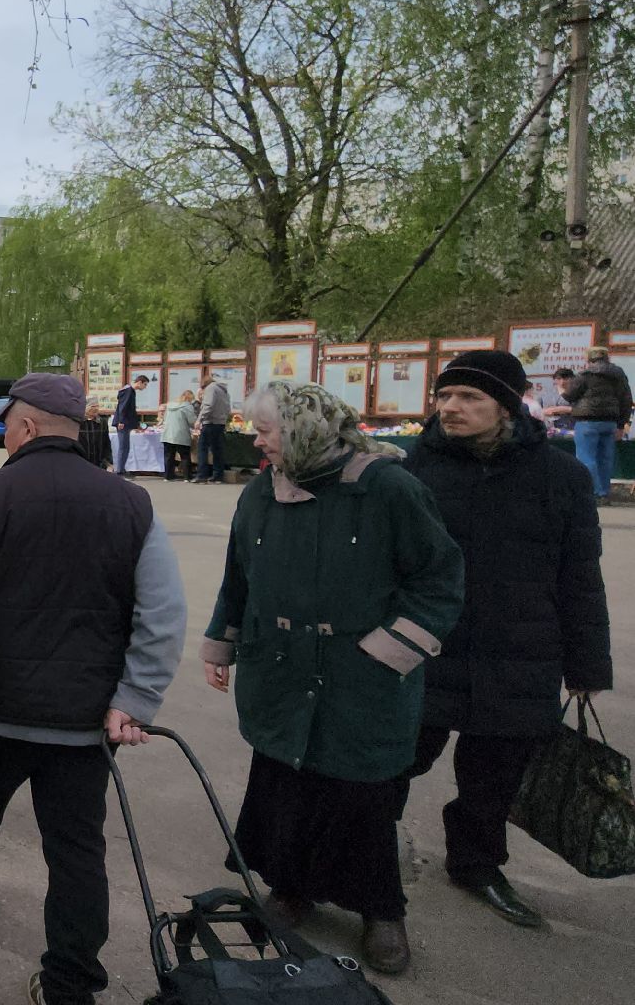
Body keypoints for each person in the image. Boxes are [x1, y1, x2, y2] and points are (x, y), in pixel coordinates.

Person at [0, 373, 187, 1005]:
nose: (3, 434)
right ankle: (69, 986)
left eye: (6, 424)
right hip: (86, 722)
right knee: (77, 850)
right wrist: (136, 698)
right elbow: (164, 615)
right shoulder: (131, 504)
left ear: (28, 427)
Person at [201, 381, 463, 974]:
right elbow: (238, 577)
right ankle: (291, 886)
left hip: (360, 679)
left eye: (264, 430)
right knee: (285, 785)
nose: (255, 441)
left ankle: (380, 910)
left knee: (361, 796)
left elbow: (439, 579)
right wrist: (223, 643)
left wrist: (388, 650)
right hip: (280, 669)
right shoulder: (261, 492)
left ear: (306, 428)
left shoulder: (389, 488)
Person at [400, 350, 612, 928]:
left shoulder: (562, 477)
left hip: (521, 651)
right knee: (394, 759)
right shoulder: (413, 468)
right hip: (427, 646)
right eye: (444, 396)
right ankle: (364, 854)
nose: (451, 407)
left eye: (469, 397)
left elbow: (579, 577)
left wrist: (588, 666)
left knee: (493, 776)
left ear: (507, 406)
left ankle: (476, 865)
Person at [562, 345, 633, 503]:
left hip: (587, 421)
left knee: (586, 457)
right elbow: (626, 400)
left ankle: (593, 492)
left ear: (589, 358)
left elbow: (570, 396)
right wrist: (621, 424)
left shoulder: (585, 375)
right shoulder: (619, 375)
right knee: (605, 459)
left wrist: (562, 389)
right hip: (610, 422)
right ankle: (604, 493)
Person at [191, 373, 231, 483]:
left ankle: (202, 475)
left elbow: (208, 405)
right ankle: (218, 475)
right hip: (220, 423)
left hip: (210, 422)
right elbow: (228, 408)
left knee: (202, 448)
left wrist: (199, 419)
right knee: (217, 450)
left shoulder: (211, 388)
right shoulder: (224, 391)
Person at [112, 375, 149, 475]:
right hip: (123, 423)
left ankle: (121, 468)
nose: (145, 387)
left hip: (126, 422)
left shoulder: (130, 390)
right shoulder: (128, 391)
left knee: (125, 447)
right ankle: (120, 470)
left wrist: (136, 423)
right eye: (145, 384)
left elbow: (129, 409)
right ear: (140, 382)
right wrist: (121, 421)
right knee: (123, 447)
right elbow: (123, 407)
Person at [161, 390, 197, 481]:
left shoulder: (169, 405)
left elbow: (165, 419)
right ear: (190, 398)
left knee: (169, 456)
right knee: (184, 456)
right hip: (181, 434)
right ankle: (187, 477)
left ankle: (168, 476)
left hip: (168, 434)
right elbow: (192, 421)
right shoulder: (188, 406)